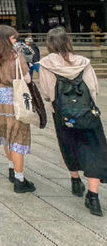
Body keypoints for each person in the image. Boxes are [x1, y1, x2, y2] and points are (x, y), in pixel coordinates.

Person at [38, 27, 107, 216]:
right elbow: (93, 87)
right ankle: (93, 196)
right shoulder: (84, 62)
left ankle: (76, 180)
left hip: (63, 113)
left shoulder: (46, 64)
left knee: (69, 145)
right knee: (93, 149)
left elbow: (47, 91)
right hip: (87, 112)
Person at [0, 25, 35, 193]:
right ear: (5, 39)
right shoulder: (15, 57)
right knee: (17, 134)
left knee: (4, 130)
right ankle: (19, 178)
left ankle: (11, 166)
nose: (15, 41)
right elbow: (27, 78)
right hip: (12, 95)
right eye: (12, 38)